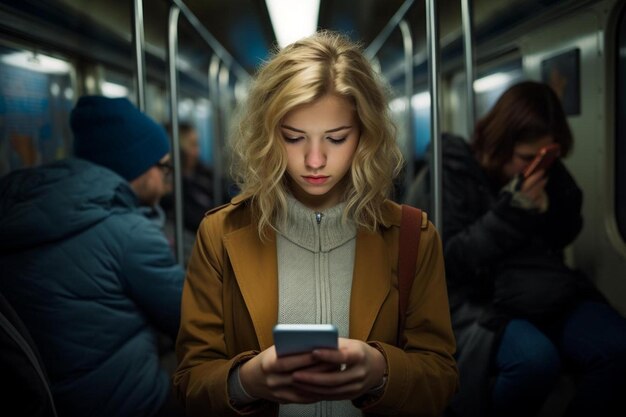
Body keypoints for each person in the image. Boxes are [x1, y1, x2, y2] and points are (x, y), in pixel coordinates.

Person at [173, 31, 459, 417]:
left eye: (336, 139)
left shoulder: (413, 236)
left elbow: (441, 377)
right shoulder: (221, 235)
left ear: (365, 137)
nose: (314, 160)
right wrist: (245, 381)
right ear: (269, 137)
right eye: (294, 138)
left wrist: (381, 372)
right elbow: (190, 381)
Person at [410, 81, 626, 417]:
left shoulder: (546, 174)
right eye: (526, 158)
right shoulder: (454, 171)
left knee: (617, 347)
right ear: (499, 144)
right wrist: (512, 212)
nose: (532, 168)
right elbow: (451, 259)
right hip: (480, 297)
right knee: (535, 361)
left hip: (541, 288)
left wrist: (555, 199)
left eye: (543, 158)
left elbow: (562, 236)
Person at [0, 96, 186, 417]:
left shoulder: (22, 209)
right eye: (164, 167)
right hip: (131, 404)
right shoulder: (129, 233)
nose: (167, 182)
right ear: (136, 165)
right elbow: (189, 319)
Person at [163, 122, 215, 232]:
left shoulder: (203, 174)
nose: (197, 152)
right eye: (193, 145)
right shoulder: (171, 190)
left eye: (197, 145)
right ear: (179, 150)